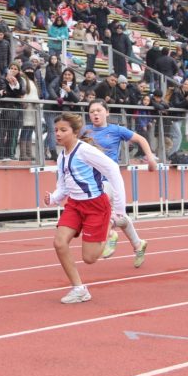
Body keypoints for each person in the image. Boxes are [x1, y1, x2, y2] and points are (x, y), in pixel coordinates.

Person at [43, 112, 128, 304]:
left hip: (95, 205)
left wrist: (120, 208)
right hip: (74, 204)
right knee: (59, 242)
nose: (58, 134)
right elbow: (63, 186)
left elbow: (113, 170)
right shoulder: (61, 157)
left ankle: (110, 228)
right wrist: (54, 198)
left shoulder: (85, 151)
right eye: (56, 130)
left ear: (75, 132)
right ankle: (79, 289)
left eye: (63, 130)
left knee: (89, 258)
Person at [85, 100, 156, 265]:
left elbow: (141, 139)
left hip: (109, 179)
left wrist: (150, 158)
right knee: (120, 216)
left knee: (96, 209)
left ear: (107, 112)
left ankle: (110, 234)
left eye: (98, 110)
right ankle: (138, 244)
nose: (95, 114)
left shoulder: (116, 130)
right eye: (92, 111)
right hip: (91, 180)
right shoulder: (85, 131)